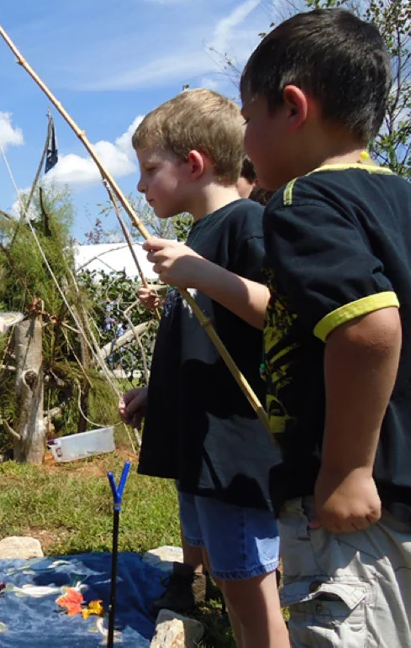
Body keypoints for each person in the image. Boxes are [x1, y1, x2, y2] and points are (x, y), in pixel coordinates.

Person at [241, 8, 411, 647]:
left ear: (292, 107)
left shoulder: (307, 202)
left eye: (249, 119)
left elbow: (369, 329)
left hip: (363, 519)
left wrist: (347, 468)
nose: (245, 140)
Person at [118, 89, 287, 647]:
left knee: (253, 590)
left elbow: (281, 314)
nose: (141, 186)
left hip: (234, 448)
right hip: (203, 442)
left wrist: (201, 273)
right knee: (233, 583)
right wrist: (156, 392)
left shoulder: (247, 223)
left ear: (194, 164)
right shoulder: (198, 236)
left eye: (148, 169)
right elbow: (206, 337)